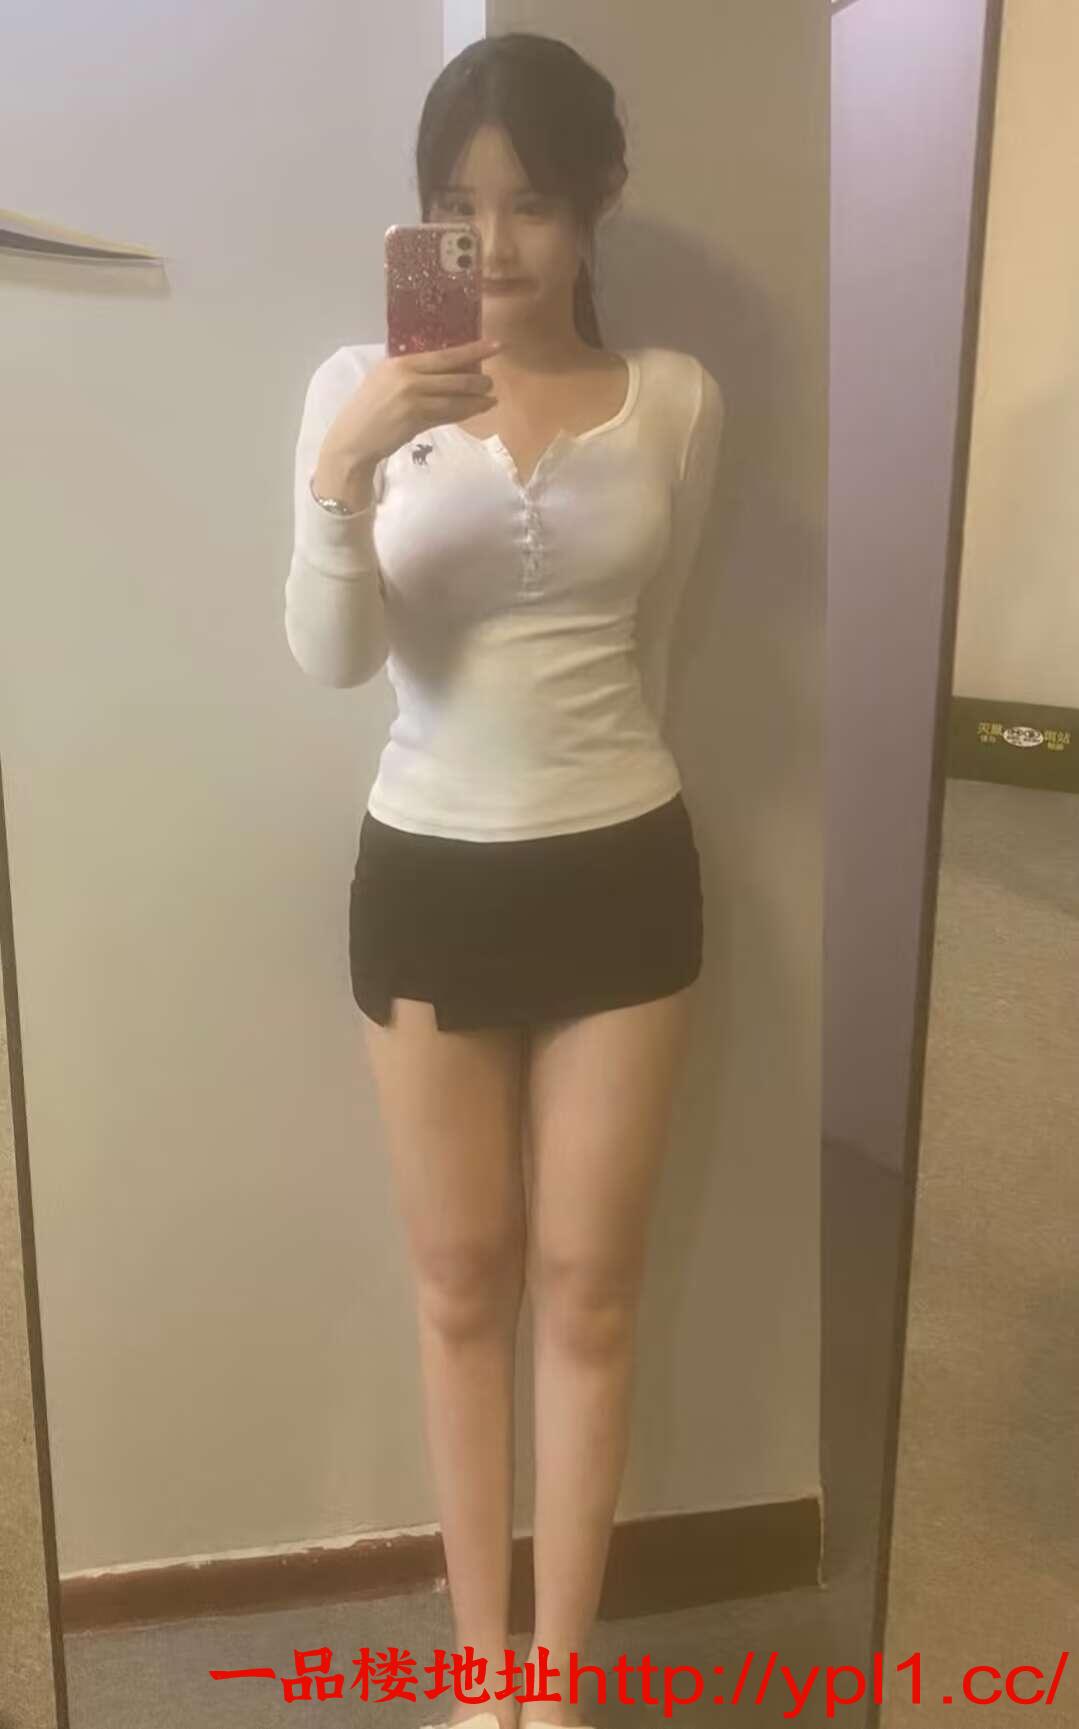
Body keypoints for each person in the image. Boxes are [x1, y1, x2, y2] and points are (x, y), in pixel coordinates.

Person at [285, 32, 724, 1729]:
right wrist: (347, 468)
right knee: (462, 1283)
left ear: (597, 199)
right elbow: (333, 659)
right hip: (427, 878)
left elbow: (656, 654)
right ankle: (483, 1682)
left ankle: (559, 1688)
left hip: (624, 867)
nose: (493, 245)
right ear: (422, 221)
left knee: (590, 1291)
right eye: (456, 209)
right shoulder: (357, 386)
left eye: (531, 202)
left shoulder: (676, 399)